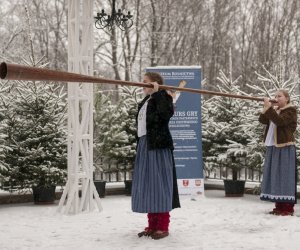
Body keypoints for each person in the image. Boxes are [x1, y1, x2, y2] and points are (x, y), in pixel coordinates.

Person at [131, 72, 180, 240]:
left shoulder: (164, 97)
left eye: (146, 82)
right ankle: (152, 225)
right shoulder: (146, 101)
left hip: (158, 146)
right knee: (149, 185)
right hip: (145, 145)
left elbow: (166, 115)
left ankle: (162, 226)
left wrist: (159, 93)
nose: (142, 84)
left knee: (159, 184)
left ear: (155, 83)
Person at [259, 89, 298, 216]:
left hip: (285, 146)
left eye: (279, 96)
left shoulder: (291, 110)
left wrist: (269, 108)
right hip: (273, 146)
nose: (276, 98)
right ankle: (279, 205)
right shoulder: (275, 111)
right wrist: (266, 108)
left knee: (285, 175)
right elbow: (262, 120)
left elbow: (280, 122)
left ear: (286, 98)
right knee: (275, 175)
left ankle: (287, 207)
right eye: (275, 96)